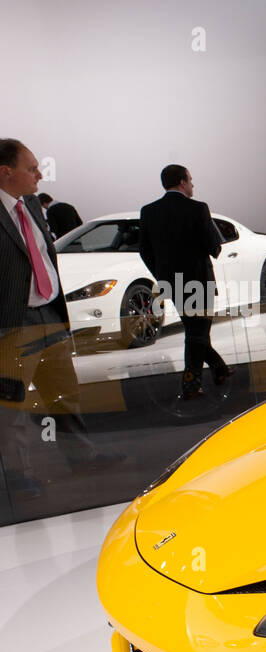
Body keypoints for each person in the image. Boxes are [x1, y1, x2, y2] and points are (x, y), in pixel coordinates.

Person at [1, 138, 114, 499]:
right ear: (6, 172)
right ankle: (17, 476)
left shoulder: (31, 204)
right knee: (12, 406)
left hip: (50, 314)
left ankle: (83, 457)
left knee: (64, 393)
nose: (39, 174)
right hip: (12, 324)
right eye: (31, 168)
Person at [139, 164, 230, 399]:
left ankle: (219, 369)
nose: (192, 185)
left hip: (171, 281)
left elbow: (144, 251)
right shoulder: (198, 209)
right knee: (197, 333)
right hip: (198, 279)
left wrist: (161, 273)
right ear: (182, 182)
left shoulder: (149, 211)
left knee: (195, 329)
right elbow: (214, 246)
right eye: (190, 180)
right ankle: (190, 384)